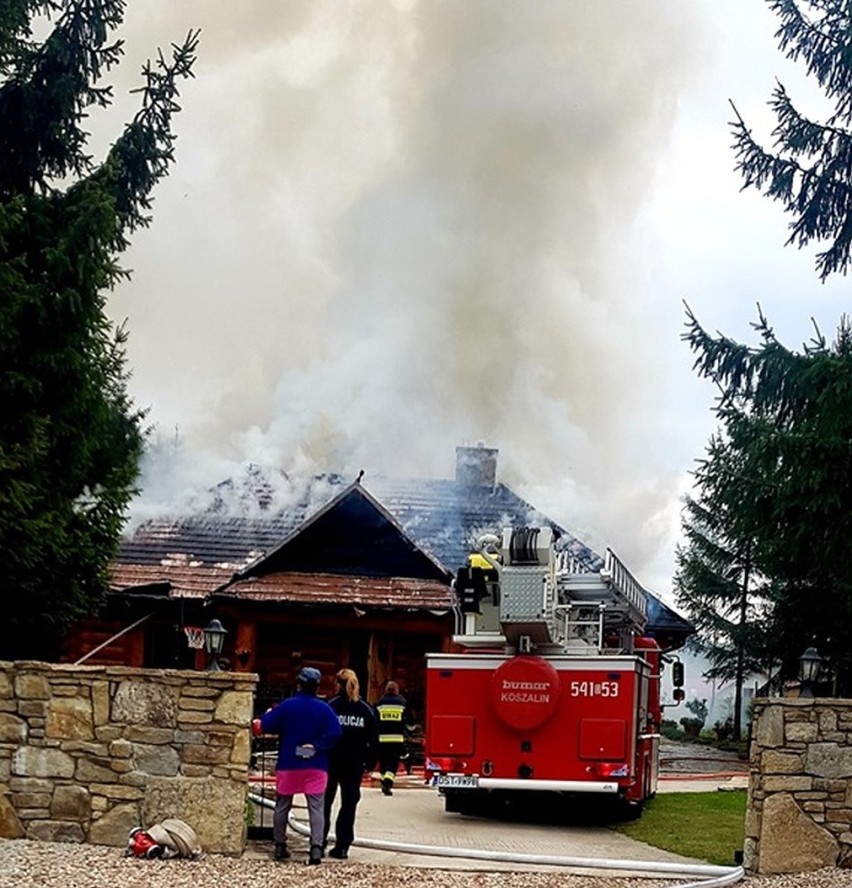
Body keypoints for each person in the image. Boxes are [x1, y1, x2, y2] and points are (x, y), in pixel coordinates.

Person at [253, 666, 342, 865]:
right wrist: (317, 746)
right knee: (316, 807)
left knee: (282, 805)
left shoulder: (287, 706)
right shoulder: (325, 709)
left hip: (288, 762)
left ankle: (279, 846)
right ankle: (316, 849)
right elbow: (336, 732)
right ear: (316, 686)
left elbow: (265, 725)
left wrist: (264, 717)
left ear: (299, 684)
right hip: (316, 763)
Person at [322, 668, 378, 859]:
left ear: (337, 684)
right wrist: (369, 764)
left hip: (330, 762)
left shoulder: (330, 707)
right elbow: (374, 740)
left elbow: (322, 734)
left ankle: (318, 842)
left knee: (324, 803)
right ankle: (343, 845)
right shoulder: (365, 710)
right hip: (354, 764)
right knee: (349, 805)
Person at [374, 680, 410, 796]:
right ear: (396, 690)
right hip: (396, 739)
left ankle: (384, 779)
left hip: (382, 739)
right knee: (392, 762)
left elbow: (374, 720)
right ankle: (388, 782)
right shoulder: (402, 703)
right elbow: (409, 720)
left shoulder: (380, 703)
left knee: (383, 762)